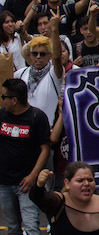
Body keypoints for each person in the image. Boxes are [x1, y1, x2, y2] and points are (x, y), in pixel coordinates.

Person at [0, 78, 51, 235]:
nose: (2, 100)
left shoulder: (37, 117)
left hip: (26, 184)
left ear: (14, 100)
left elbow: (45, 149)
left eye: (3, 97)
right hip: (4, 182)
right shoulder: (2, 115)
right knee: (12, 227)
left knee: (31, 227)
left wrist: (32, 176)